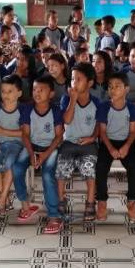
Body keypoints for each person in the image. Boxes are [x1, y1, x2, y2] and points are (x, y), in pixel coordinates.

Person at [56, 63, 100, 228]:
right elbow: (66, 120)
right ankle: (61, 199)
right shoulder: (66, 99)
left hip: (88, 144)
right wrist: (73, 100)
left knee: (89, 168)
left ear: (89, 83)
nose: (74, 82)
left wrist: (92, 137)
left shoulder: (96, 102)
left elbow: (99, 125)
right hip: (68, 142)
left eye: (79, 79)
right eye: (73, 79)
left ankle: (90, 203)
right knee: (62, 168)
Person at [16, 74, 64, 223]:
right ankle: (26, 205)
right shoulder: (27, 109)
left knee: (48, 175)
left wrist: (44, 156)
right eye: (35, 89)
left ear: (51, 94)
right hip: (31, 145)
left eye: (41, 90)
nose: (37, 92)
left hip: (51, 148)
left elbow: (58, 137)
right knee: (17, 168)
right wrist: (32, 154)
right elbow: (25, 134)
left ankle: (53, 215)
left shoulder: (56, 111)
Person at [95, 73, 135, 222]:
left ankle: (132, 201)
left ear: (126, 89)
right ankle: (101, 201)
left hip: (127, 141)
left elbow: (133, 132)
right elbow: (102, 132)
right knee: (100, 167)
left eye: (117, 86)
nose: (113, 90)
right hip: (108, 141)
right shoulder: (104, 107)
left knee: (134, 166)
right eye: (110, 87)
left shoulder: (132, 108)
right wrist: (111, 149)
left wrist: (126, 146)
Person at [0, 74, 25, 216]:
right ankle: (5, 196)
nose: (6, 95)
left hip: (16, 144)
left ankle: (2, 199)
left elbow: (24, 134)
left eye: (10, 91)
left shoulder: (23, 109)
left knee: (10, 163)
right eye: (3, 91)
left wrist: (2, 130)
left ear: (19, 93)